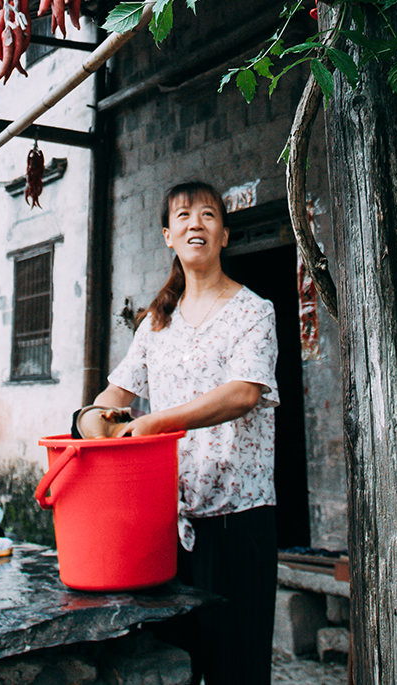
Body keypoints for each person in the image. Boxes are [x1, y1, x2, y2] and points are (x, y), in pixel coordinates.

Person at [90, 180, 277, 685]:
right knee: (173, 665)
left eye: (209, 215)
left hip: (239, 517)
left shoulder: (253, 311)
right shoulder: (155, 325)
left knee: (235, 668)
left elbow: (244, 393)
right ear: (167, 236)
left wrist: (155, 423)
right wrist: (89, 422)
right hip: (167, 522)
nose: (196, 223)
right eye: (184, 216)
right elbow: (112, 399)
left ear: (225, 236)